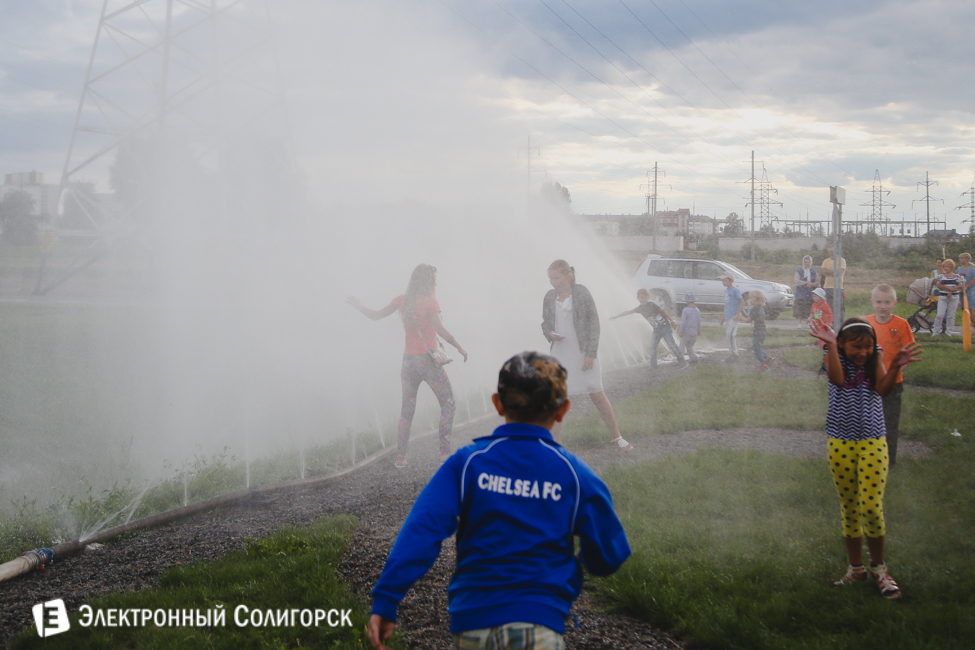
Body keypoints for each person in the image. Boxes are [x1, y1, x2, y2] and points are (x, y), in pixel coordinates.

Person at [367, 351, 631, 650]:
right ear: (563, 410)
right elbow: (611, 553)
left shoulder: (467, 464)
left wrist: (388, 597)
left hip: (472, 625)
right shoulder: (575, 475)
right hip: (539, 624)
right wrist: (578, 565)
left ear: (497, 403)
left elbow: (422, 528)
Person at [809, 317, 921, 600]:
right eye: (856, 347)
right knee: (849, 508)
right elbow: (838, 380)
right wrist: (832, 346)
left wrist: (894, 365)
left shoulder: (876, 357)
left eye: (868, 346)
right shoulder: (832, 354)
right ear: (843, 343)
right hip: (840, 443)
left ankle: (880, 569)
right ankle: (856, 569)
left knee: (870, 507)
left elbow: (883, 390)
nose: (863, 352)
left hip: (873, 442)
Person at [347, 264, 468, 468]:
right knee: (448, 404)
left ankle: (401, 458)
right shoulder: (432, 302)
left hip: (408, 362)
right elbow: (439, 328)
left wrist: (359, 306)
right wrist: (459, 347)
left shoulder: (402, 300)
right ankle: (444, 453)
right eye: (435, 280)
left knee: (407, 411)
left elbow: (376, 315)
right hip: (428, 362)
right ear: (430, 283)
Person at [542, 260, 631, 451]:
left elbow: (594, 324)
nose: (553, 282)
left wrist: (590, 354)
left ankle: (617, 437)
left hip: (582, 352)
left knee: (597, 394)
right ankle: (554, 446)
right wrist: (550, 333)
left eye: (556, 277)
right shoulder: (550, 297)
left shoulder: (582, 293)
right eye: (550, 278)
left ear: (569, 276)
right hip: (560, 353)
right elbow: (545, 323)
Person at [864, 284, 915, 466]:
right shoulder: (865, 322)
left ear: (894, 303)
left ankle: (888, 462)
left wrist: (895, 372)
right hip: (869, 383)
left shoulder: (901, 324)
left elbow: (908, 356)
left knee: (889, 423)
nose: (882, 306)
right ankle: (868, 458)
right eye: (878, 302)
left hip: (893, 383)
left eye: (886, 302)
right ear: (872, 303)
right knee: (867, 422)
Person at [609, 288, 686, 369]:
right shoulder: (639, 308)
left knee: (672, 344)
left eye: (645, 298)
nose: (643, 299)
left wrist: (672, 321)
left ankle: (682, 361)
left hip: (665, 327)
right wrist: (616, 316)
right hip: (656, 330)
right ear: (638, 298)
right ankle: (653, 366)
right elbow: (628, 312)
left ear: (647, 298)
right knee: (653, 347)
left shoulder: (652, 305)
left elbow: (663, 311)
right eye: (641, 298)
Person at [740, 290, 772, 370]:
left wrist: (740, 317)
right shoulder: (761, 308)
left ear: (756, 299)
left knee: (756, 348)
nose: (749, 300)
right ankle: (768, 358)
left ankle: (764, 363)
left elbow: (748, 320)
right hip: (762, 331)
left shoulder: (754, 309)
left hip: (758, 331)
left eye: (750, 298)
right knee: (757, 347)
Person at [718, 272, 744, 362]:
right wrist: (723, 317)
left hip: (733, 317)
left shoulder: (735, 290)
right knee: (728, 335)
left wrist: (738, 313)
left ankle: (734, 354)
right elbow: (727, 304)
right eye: (723, 280)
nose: (723, 282)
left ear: (731, 281)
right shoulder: (726, 291)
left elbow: (742, 301)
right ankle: (732, 353)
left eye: (725, 280)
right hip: (728, 316)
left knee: (730, 335)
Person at [933, 258, 962, 337]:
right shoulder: (941, 276)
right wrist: (949, 289)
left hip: (954, 297)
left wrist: (951, 291)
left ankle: (949, 332)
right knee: (940, 315)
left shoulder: (956, 276)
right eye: (944, 266)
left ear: (952, 267)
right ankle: (936, 331)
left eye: (948, 266)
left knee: (951, 316)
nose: (946, 268)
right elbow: (939, 285)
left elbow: (959, 285)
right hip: (943, 297)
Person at [820, 245, 847, 323]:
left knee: (839, 307)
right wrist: (833, 272)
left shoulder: (841, 260)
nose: (830, 253)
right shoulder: (826, 261)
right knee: (828, 307)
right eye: (829, 252)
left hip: (838, 287)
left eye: (832, 251)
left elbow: (839, 272)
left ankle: (840, 324)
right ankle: (830, 323)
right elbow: (822, 271)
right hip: (827, 287)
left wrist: (828, 271)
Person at [793, 255, 818, 328]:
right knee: (800, 309)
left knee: (809, 309)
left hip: (810, 293)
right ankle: (799, 323)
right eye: (805, 262)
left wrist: (813, 284)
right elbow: (797, 281)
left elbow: (817, 282)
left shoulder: (814, 272)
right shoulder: (799, 271)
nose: (807, 264)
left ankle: (808, 323)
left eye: (808, 262)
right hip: (801, 293)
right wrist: (805, 283)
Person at [678, 290, 701, 364]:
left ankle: (681, 359)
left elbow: (683, 322)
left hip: (686, 332)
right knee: (689, 346)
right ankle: (693, 358)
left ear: (687, 301)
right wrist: (699, 331)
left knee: (682, 345)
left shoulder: (685, 310)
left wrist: (681, 331)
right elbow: (699, 321)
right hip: (694, 333)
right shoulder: (697, 310)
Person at [956, 252, 975, 334]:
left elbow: (974, 279)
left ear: (967, 259)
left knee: (970, 309)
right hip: (961, 291)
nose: (960, 260)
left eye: (962, 258)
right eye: (960, 258)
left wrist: (967, 287)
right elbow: (956, 278)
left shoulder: (972, 268)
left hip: (970, 291)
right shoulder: (959, 269)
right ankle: (966, 328)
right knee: (963, 309)